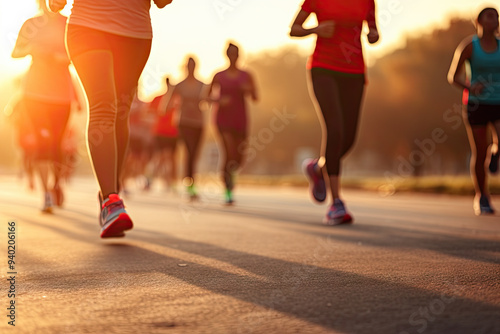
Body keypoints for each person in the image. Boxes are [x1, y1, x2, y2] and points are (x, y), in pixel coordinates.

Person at [48, 0, 173, 237]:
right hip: (88, 24)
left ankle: (110, 194)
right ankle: (111, 201)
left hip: (134, 32)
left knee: (119, 113)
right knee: (103, 107)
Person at [290, 0, 379, 225]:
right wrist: (316, 30)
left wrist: (373, 36)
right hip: (323, 68)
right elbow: (294, 29)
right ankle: (336, 203)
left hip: (354, 71)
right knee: (335, 130)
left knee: (349, 139)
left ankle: (318, 168)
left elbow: (373, 30)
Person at [12, 0, 78, 213]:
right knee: (41, 142)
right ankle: (46, 195)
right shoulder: (31, 24)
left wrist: (62, 58)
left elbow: (80, 56)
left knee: (57, 144)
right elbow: (16, 52)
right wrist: (35, 49)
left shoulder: (70, 24)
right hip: (34, 93)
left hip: (61, 95)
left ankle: (56, 184)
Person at [448, 7, 500, 215]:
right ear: (479, 21)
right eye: (489, 16)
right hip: (476, 104)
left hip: (499, 103)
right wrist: (470, 87)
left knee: (497, 143)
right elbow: (453, 76)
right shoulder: (470, 46)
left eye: (496, 16)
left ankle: (495, 153)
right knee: (479, 152)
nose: (494, 20)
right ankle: (482, 196)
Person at [208, 43, 258, 205]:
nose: (233, 57)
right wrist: (218, 100)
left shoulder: (247, 75)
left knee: (238, 158)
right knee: (229, 152)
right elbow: (205, 97)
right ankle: (228, 190)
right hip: (222, 120)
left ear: (239, 55)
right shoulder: (218, 75)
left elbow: (256, 97)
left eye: (235, 54)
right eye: (230, 54)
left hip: (240, 120)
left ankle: (229, 178)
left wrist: (248, 90)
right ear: (226, 55)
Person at [167, 57, 207, 200]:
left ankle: (191, 182)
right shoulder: (179, 85)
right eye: (189, 66)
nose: (191, 68)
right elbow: (167, 104)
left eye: (193, 65)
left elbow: (208, 101)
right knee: (189, 152)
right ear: (185, 67)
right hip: (184, 122)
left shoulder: (202, 85)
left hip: (198, 122)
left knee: (194, 154)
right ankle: (190, 186)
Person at [149, 77, 179, 193]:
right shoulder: (158, 98)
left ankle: (171, 182)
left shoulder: (177, 98)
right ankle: (150, 179)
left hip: (173, 132)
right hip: (160, 131)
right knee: (161, 157)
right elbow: (148, 112)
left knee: (171, 158)